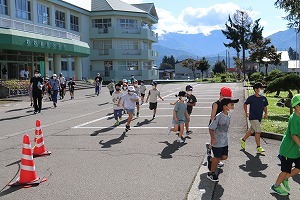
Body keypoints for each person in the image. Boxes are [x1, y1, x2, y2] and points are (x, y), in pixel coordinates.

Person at [270, 94, 300, 196]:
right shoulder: (294, 118)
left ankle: (286, 178)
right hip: (288, 150)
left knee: (299, 167)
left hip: (296, 149)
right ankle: (276, 186)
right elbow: (294, 136)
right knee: (284, 171)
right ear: (296, 106)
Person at [207, 97, 239, 182]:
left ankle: (211, 159)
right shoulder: (219, 116)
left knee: (224, 157)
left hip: (224, 141)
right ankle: (211, 173)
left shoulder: (229, 115)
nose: (233, 106)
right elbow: (211, 128)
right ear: (225, 106)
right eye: (231, 104)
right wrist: (213, 138)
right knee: (217, 158)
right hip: (217, 142)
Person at [206, 86, 233, 168]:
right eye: (225, 96)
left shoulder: (225, 104)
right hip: (214, 126)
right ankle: (215, 159)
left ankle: (211, 153)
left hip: (221, 126)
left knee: (218, 143)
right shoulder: (216, 104)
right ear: (220, 94)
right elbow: (212, 117)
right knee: (215, 143)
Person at [240, 82, 268, 154]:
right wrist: (246, 112)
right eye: (260, 88)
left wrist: (266, 113)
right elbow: (245, 104)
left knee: (251, 130)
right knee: (258, 131)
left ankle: (243, 140)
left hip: (259, 117)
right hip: (253, 117)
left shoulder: (263, 98)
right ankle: (258, 147)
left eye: (262, 88)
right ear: (256, 89)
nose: (262, 90)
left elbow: (265, 106)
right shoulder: (251, 98)